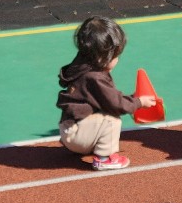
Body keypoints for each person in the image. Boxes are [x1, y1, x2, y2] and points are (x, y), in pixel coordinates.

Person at [56, 16, 154, 171]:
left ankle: (86, 142)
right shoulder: (95, 77)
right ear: (103, 57)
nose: (117, 60)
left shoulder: (83, 64)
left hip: (69, 129)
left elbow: (108, 98)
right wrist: (139, 102)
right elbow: (116, 104)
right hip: (75, 136)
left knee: (104, 113)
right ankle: (104, 158)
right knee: (111, 120)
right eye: (116, 56)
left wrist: (132, 99)